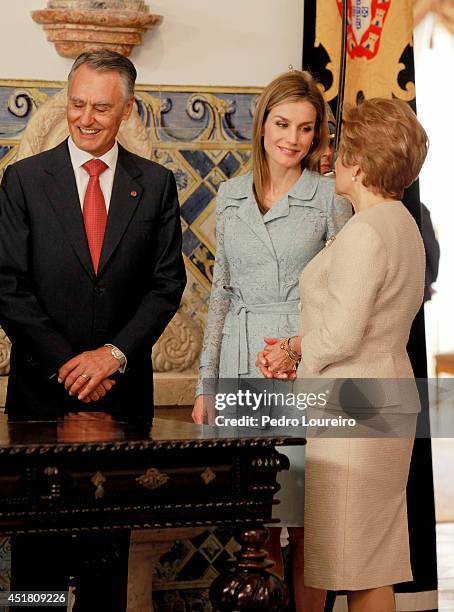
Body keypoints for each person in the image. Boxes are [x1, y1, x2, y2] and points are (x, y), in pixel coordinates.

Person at [0, 50, 186, 610]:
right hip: (41, 395)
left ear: (126, 110)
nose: (85, 117)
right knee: (37, 562)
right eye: (77, 103)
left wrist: (112, 356)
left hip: (121, 396)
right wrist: (68, 362)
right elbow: (7, 285)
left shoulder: (155, 185)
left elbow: (165, 285)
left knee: (107, 548)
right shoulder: (23, 180)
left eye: (101, 108)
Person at [257, 98, 428, 611]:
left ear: (358, 162)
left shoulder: (365, 233)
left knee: (357, 567)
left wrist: (292, 355)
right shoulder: (403, 225)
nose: (329, 155)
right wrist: (298, 345)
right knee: (372, 563)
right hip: (387, 395)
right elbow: (364, 324)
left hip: (351, 407)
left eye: (338, 146)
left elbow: (341, 337)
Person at [192, 69, 351, 611]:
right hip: (240, 364)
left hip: (302, 366)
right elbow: (221, 295)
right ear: (262, 124)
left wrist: (300, 345)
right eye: (283, 124)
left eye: (307, 129)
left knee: (306, 524)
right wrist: (206, 385)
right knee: (258, 527)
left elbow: (342, 297)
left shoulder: (329, 198)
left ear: (318, 135)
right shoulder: (230, 193)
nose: (293, 139)